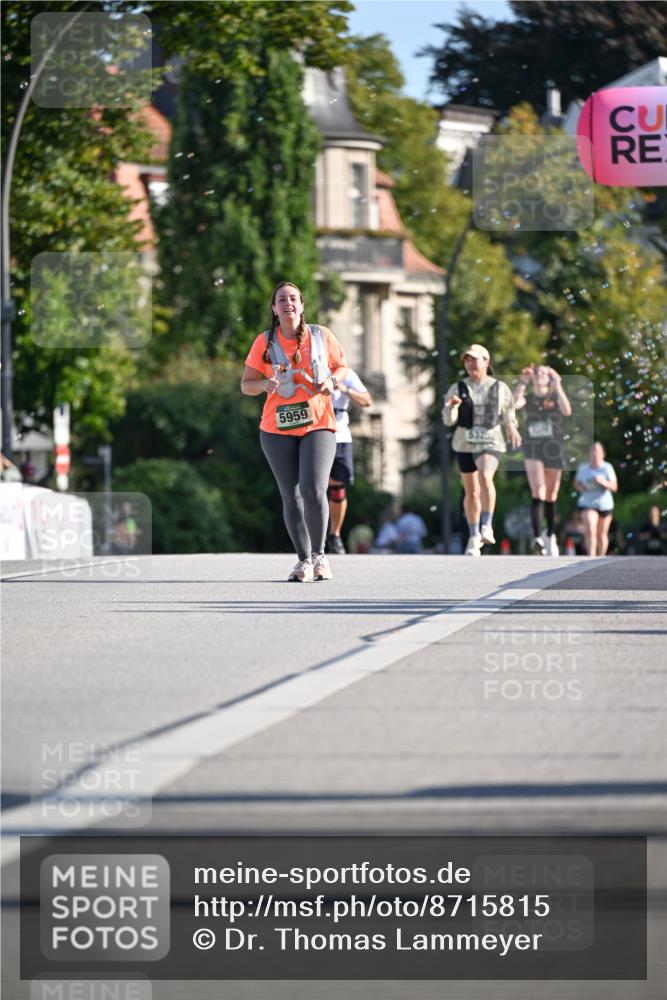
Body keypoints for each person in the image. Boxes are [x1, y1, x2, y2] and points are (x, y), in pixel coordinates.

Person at [241, 281, 347, 582]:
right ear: (274, 308)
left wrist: (332, 383)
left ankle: (320, 556)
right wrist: (263, 384)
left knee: (314, 489)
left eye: (293, 299)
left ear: (301, 305)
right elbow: (246, 385)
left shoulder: (321, 335)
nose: (288, 303)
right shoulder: (265, 342)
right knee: (291, 494)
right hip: (276, 428)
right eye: (281, 299)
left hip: (318, 423)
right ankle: (303, 561)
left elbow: (342, 368)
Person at [443, 343, 522, 556]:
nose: (469, 363)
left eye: (474, 359)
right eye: (467, 359)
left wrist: (512, 427)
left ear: (486, 362)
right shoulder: (457, 388)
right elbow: (449, 421)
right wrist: (452, 407)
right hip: (465, 443)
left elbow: (508, 412)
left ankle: (487, 525)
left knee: (485, 476)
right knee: (472, 492)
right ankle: (473, 535)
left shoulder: (499, 387)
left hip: (491, 441)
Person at [513, 363, 572, 557]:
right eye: (537, 372)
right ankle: (537, 538)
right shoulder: (528, 398)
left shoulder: (555, 396)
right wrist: (522, 381)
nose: (539, 375)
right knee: (538, 491)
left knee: (551, 495)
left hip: (553, 447)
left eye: (544, 373)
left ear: (549, 378)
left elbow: (567, 410)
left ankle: (550, 535)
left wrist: (558, 383)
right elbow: (513, 404)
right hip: (533, 447)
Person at [326, 368, 372, 555]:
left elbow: (367, 400)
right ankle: (313, 536)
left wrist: (345, 389)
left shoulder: (346, 374)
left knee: (338, 488)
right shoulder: (308, 366)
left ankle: (334, 535)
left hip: (340, 435)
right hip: (313, 431)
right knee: (312, 487)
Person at [574, 442, 618, 556]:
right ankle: (591, 559)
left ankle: (601, 558)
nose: (594, 453)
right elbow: (576, 482)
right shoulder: (583, 468)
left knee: (601, 534)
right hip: (587, 503)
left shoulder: (607, 468)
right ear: (589, 454)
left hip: (605, 504)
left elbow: (614, 486)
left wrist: (603, 482)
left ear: (603, 454)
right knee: (590, 529)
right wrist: (580, 487)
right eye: (592, 450)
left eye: (597, 451)